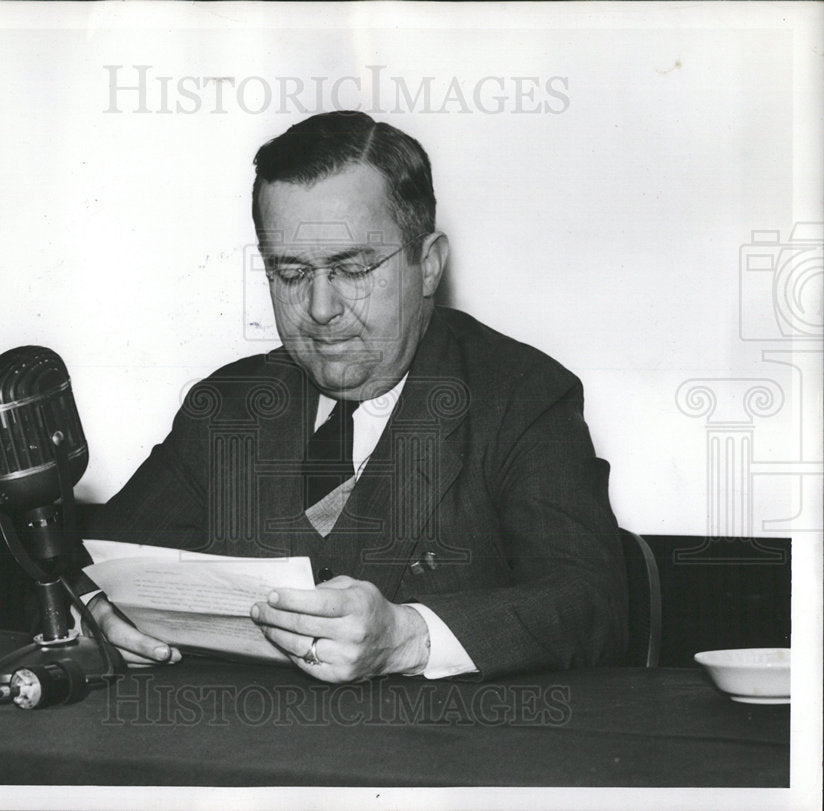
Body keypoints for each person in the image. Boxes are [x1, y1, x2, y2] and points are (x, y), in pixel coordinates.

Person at [84, 111, 627, 682]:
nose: (320, 309)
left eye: (352, 269)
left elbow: (594, 606)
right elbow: (85, 567)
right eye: (291, 274)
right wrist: (95, 614)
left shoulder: (520, 396)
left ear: (429, 265)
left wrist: (409, 638)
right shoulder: (228, 406)